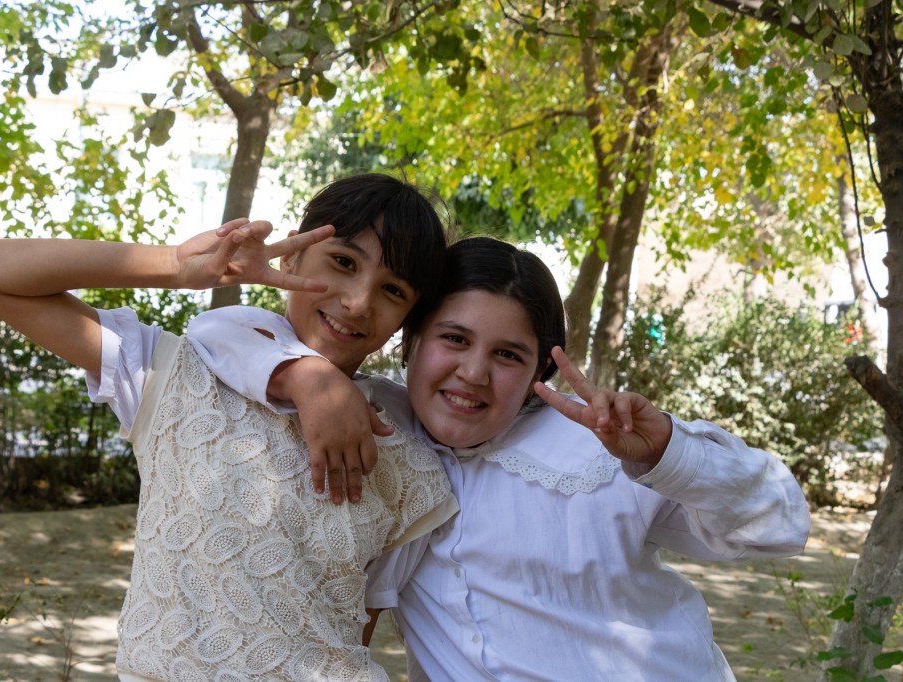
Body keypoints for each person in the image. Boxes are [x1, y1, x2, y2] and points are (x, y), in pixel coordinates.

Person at [200, 236, 812, 681]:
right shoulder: (377, 422)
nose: (473, 373)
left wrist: (671, 453)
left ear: (541, 369)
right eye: (455, 339)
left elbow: (780, 526)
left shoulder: (602, 445)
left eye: (508, 355)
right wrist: (308, 378)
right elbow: (219, 333)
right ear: (412, 339)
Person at [0, 173, 460, 682]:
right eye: (344, 262)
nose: (358, 301)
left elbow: (352, 630)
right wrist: (174, 265)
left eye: (393, 290)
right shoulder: (170, 375)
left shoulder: (403, 455)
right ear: (291, 257)